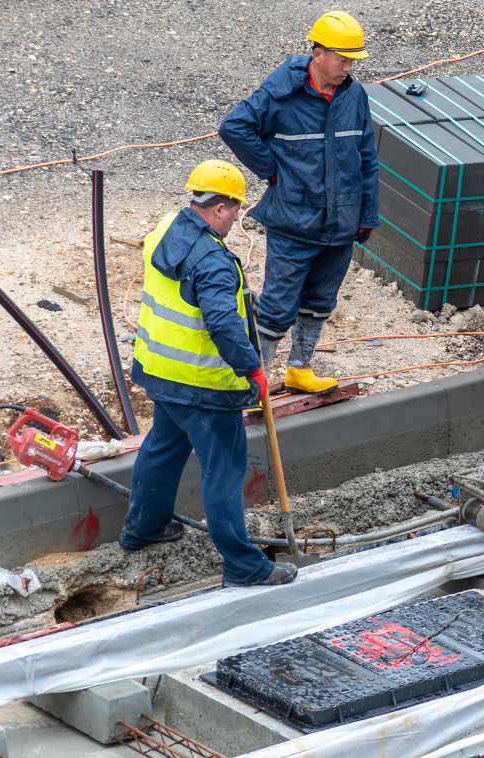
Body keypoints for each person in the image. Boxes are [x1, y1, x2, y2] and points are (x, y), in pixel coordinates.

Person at [120, 161, 295, 588]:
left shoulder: (164, 229)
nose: (238, 216)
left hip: (162, 373)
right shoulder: (214, 262)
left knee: (163, 448)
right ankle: (243, 564)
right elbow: (221, 323)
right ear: (218, 207)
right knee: (224, 471)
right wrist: (252, 370)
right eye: (235, 208)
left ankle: (142, 530)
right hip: (205, 386)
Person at [220, 11, 379, 395]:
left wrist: (367, 214)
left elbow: (367, 158)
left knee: (321, 301)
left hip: (341, 222)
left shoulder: (354, 95)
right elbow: (234, 126)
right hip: (295, 221)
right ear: (318, 53)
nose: (348, 67)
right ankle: (253, 387)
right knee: (276, 309)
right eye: (343, 58)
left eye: (353, 60)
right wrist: (273, 171)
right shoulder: (281, 94)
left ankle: (299, 368)